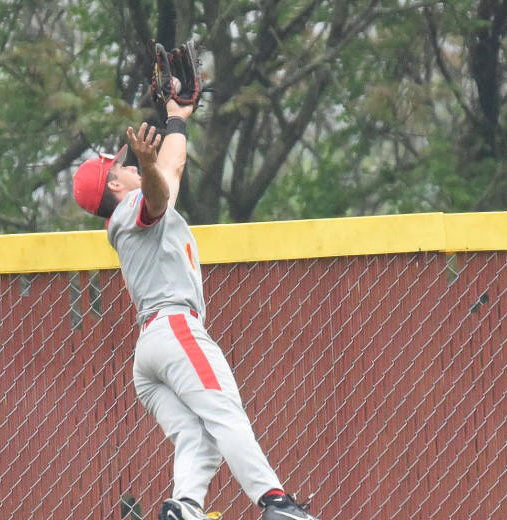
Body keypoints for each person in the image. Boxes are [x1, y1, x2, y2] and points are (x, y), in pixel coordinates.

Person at [70, 87, 323, 520]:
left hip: (150, 352)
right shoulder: (133, 206)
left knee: (197, 435)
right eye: (123, 167)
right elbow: (157, 194)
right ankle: (275, 503)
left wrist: (177, 119)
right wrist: (151, 161)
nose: (130, 166)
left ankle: (184, 508)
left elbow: (172, 167)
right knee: (226, 413)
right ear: (115, 184)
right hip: (174, 329)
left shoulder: (128, 215)